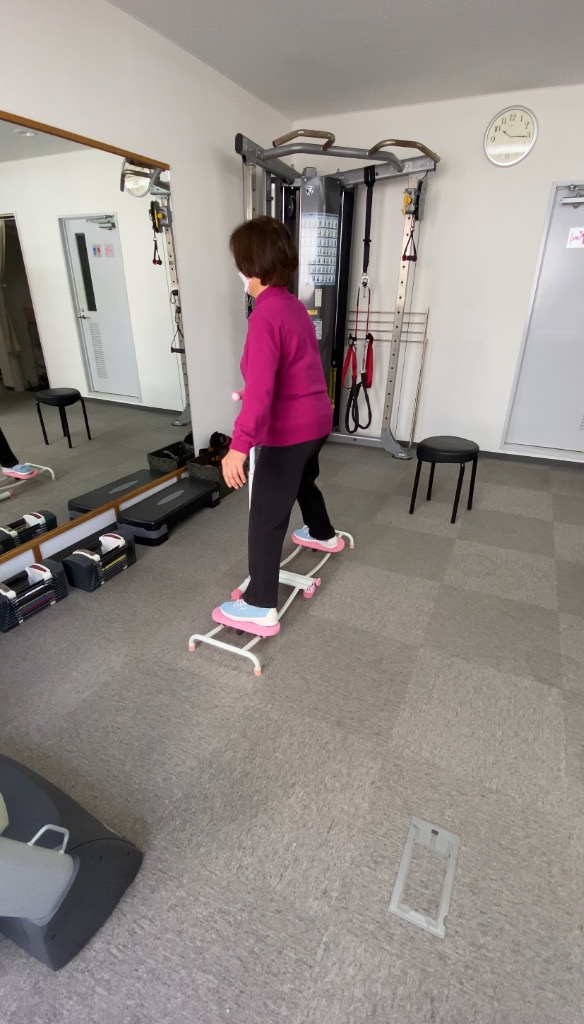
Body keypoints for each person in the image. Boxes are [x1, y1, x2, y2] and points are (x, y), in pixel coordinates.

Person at [220, 216, 341, 629]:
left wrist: (238, 446)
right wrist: (255, 392)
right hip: (316, 420)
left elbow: (260, 393)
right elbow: (292, 370)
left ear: (250, 265)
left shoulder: (264, 316)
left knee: (265, 516)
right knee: (302, 480)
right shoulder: (292, 306)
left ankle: (259, 606)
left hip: (289, 430)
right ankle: (323, 533)